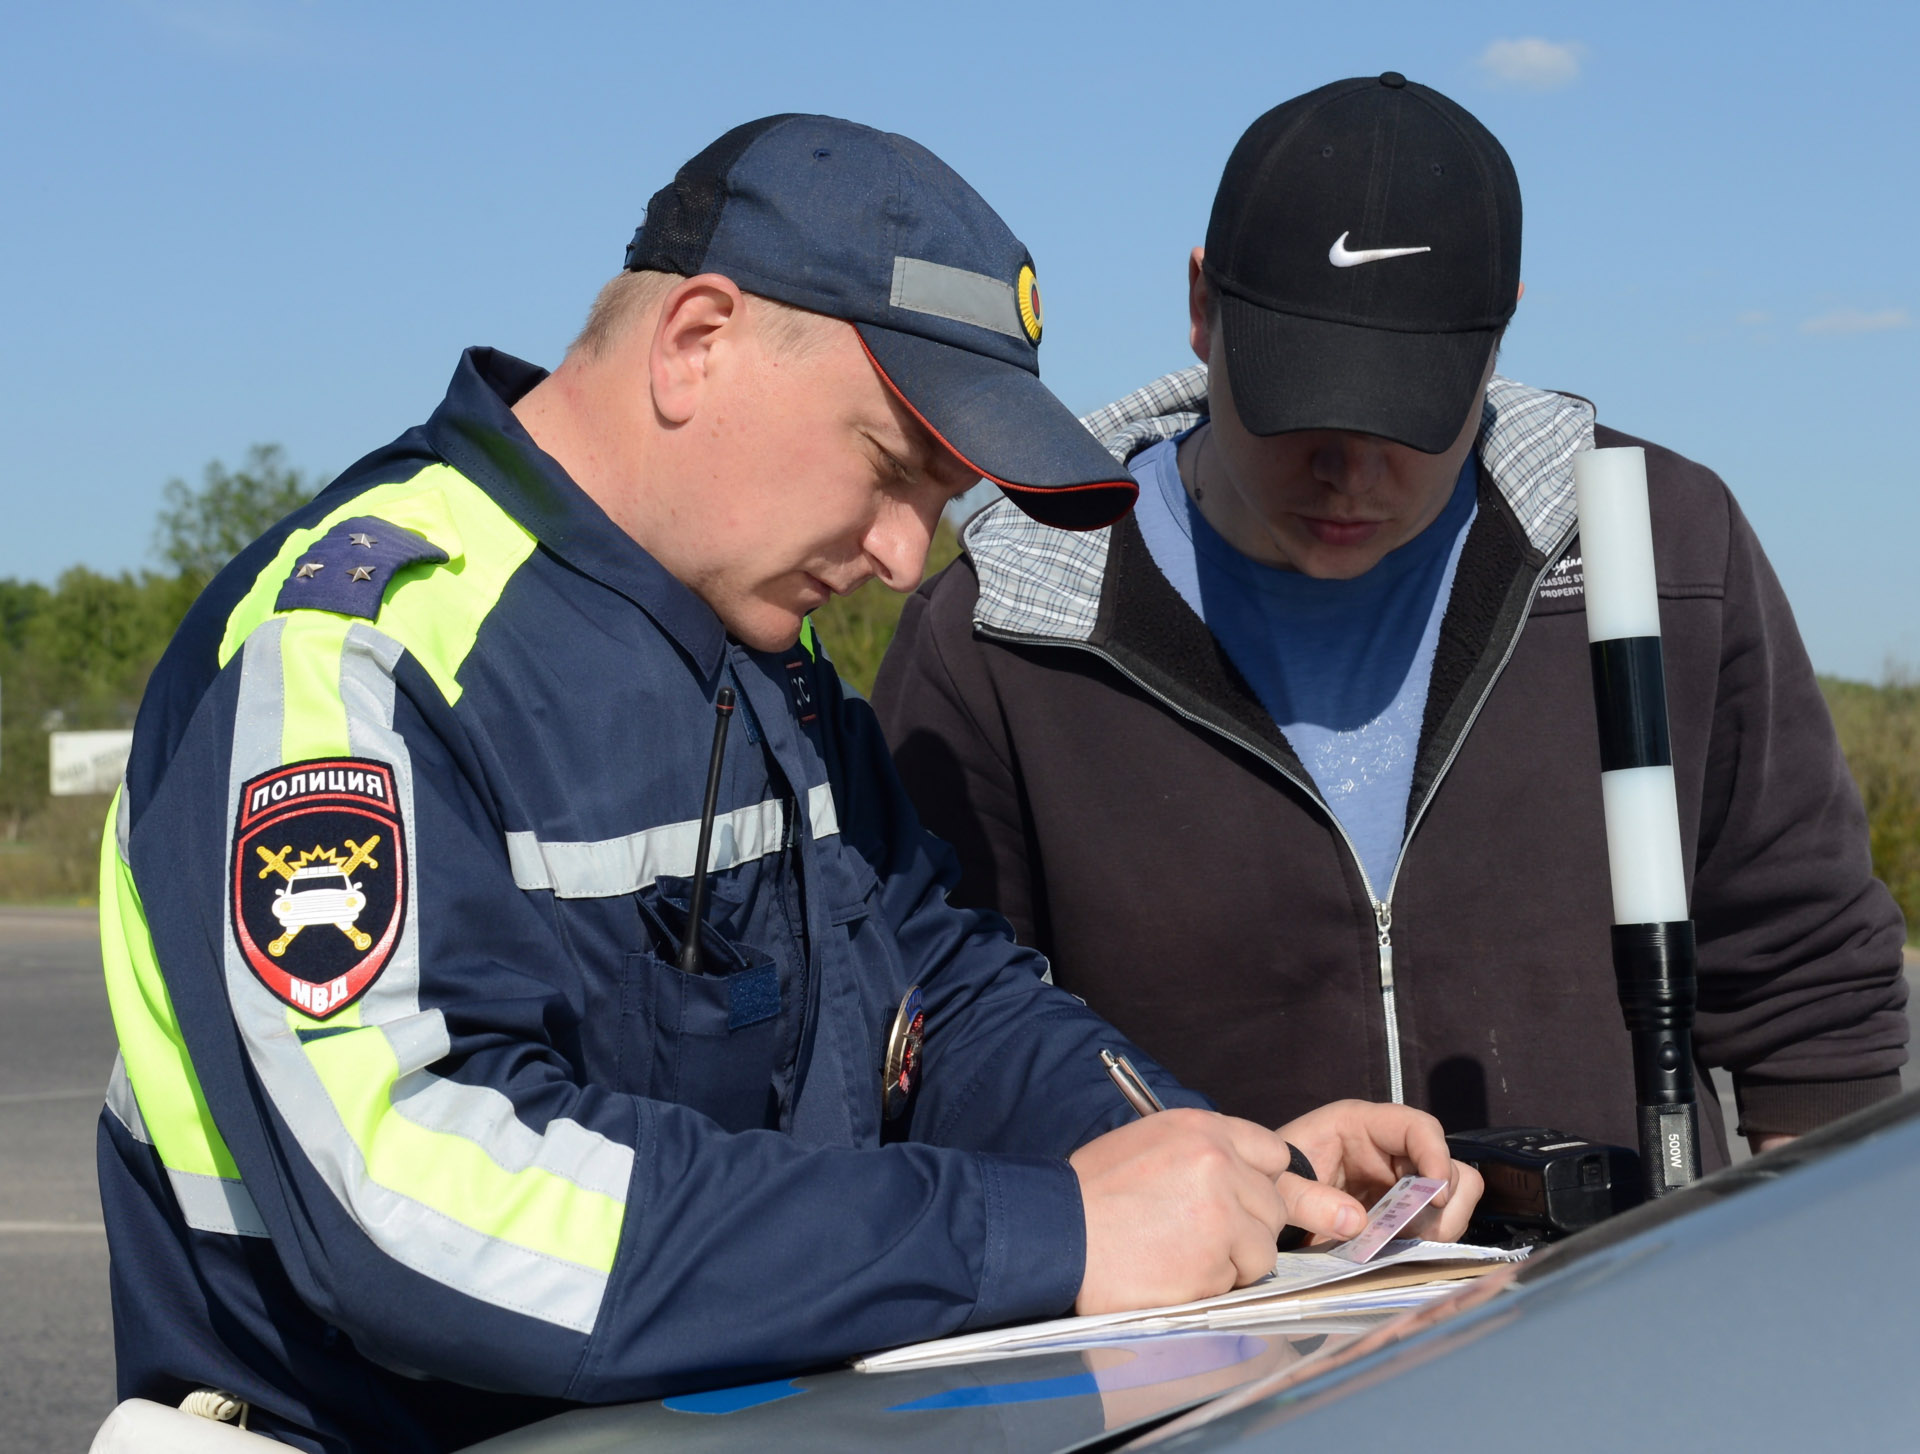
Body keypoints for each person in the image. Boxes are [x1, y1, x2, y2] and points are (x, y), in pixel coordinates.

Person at [96, 115, 1480, 1453]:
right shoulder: (352, 653)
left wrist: (1215, 1167)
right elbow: (411, 1193)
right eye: (889, 470)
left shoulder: (763, 653)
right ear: (697, 343)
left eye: (936, 502)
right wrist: (1047, 1231)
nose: (900, 554)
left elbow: (938, 990)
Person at [874, 76, 1908, 1171]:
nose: (1351, 469)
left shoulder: (1659, 552)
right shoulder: (1000, 636)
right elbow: (937, 1049)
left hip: (1618, 1315)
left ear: (1498, 332)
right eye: (1302, 403)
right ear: (1202, 307)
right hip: (1204, 1333)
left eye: (1409, 414)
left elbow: (1809, 988)